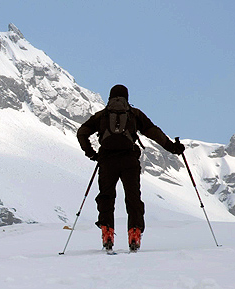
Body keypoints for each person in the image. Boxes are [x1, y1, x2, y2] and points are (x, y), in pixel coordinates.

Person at [77, 84, 184, 252]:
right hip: (129, 160)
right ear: (127, 97)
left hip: (107, 160)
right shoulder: (134, 114)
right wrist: (173, 148)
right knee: (133, 197)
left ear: (110, 97)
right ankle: (134, 233)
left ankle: (107, 232)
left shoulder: (102, 115)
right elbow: (153, 131)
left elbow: (81, 132)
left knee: (106, 196)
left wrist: (92, 154)